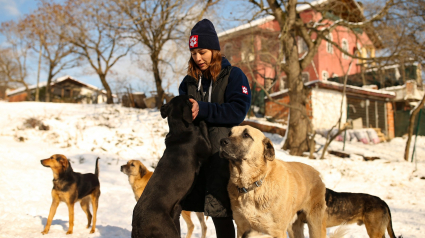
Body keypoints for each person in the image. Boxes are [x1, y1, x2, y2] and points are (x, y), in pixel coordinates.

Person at [178, 19, 252, 238]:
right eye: (193, 53)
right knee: (178, 204)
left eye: (202, 52)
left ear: (214, 50)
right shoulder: (189, 81)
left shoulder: (233, 75)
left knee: (220, 210)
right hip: (193, 154)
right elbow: (181, 113)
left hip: (222, 155)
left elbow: (238, 111)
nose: (198, 58)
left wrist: (203, 109)